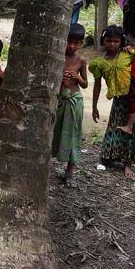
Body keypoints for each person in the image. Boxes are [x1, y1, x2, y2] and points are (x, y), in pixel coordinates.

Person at [90, 25, 135, 177]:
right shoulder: (98, 63)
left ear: (121, 42)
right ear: (103, 41)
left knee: (132, 131)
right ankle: (107, 158)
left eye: (116, 41)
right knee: (114, 129)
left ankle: (128, 164)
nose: (112, 44)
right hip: (118, 101)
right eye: (109, 41)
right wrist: (94, 106)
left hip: (133, 98)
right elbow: (97, 85)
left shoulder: (128, 55)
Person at [52, 24, 88, 187]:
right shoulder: (56, 57)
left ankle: (70, 173)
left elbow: (85, 84)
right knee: (54, 132)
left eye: (76, 43)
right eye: (69, 42)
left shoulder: (81, 60)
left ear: (81, 43)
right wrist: (61, 81)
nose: (71, 46)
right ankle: (47, 166)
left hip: (74, 100)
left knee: (73, 135)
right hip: (58, 100)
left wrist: (77, 78)